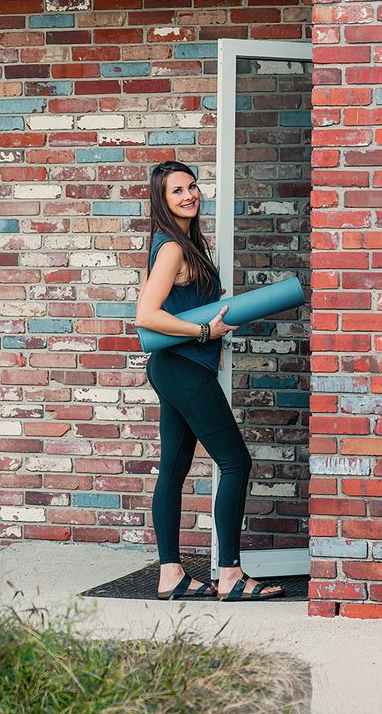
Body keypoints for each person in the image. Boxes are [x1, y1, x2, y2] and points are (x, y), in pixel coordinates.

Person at [134, 161, 283, 602]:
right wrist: (204, 332)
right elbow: (146, 315)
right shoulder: (172, 249)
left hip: (174, 366)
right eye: (177, 190)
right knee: (236, 462)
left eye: (192, 186)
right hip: (182, 366)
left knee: (175, 470)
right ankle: (232, 575)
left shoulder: (183, 243)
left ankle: (171, 575)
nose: (189, 195)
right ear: (162, 200)